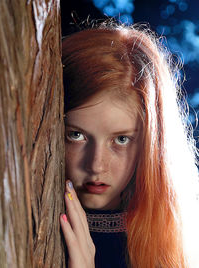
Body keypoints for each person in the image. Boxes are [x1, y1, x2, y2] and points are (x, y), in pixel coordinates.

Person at [59, 22, 199, 268]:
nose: (96, 166)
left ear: (149, 144)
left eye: (121, 140)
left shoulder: (171, 247)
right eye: (76, 135)